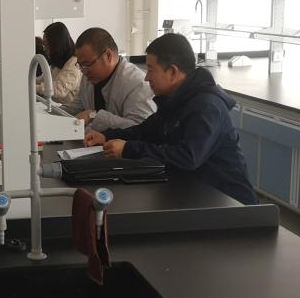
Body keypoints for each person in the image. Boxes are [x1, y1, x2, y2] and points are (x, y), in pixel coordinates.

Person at [84, 33, 258, 205]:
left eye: (151, 70)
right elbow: (144, 131)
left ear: (173, 72)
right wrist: (106, 136)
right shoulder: (175, 100)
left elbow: (187, 157)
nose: (146, 77)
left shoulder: (207, 107)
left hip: (230, 203)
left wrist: (128, 149)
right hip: (195, 192)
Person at [64, 27, 155, 133]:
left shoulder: (137, 83)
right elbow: (76, 107)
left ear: (108, 56)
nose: (83, 71)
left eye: (87, 64)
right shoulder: (88, 77)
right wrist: (51, 114)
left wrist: (94, 116)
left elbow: (141, 129)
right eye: (80, 65)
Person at [36, 22, 82, 105]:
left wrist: (33, 87)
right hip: (60, 107)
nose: (44, 49)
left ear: (57, 44)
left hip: (70, 109)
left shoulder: (74, 64)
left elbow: (59, 90)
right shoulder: (59, 61)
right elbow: (44, 78)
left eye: (46, 44)